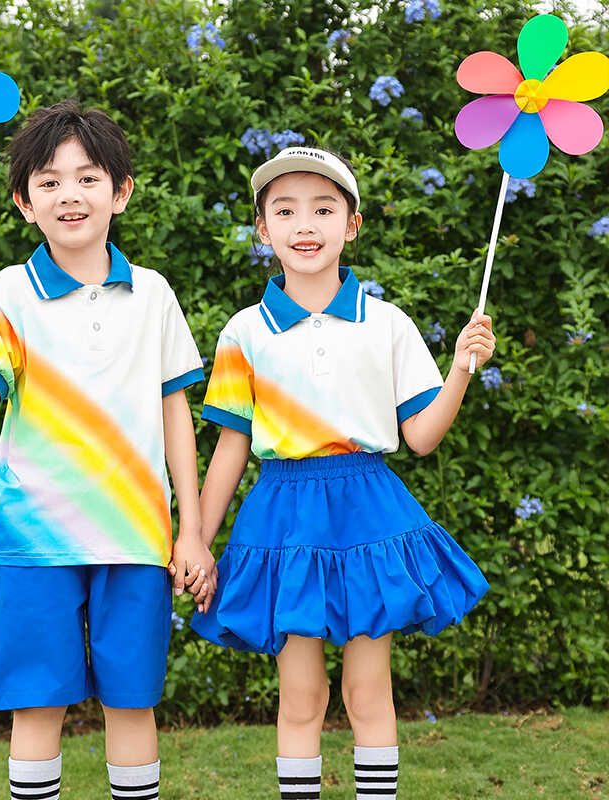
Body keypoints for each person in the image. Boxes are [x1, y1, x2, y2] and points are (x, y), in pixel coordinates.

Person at [189, 146, 494, 799]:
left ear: (351, 224)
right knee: (301, 696)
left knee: (367, 691)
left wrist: (463, 367)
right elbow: (231, 449)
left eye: (324, 208)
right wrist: (197, 540)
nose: (306, 224)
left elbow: (420, 437)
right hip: (287, 513)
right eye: (286, 209)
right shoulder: (246, 332)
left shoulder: (385, 324)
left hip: (367, 510)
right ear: (263, 230)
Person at [0, 99, 214, 800]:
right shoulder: (7, 291)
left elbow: (174, 413)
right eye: (50, 181)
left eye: (88, 177)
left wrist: (191, 530)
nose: (70, 194)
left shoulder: (152, 294)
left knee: (133, 702)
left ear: (120, 192)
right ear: (23, 202)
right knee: (37, 707)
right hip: (35, 540)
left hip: (136, 538)